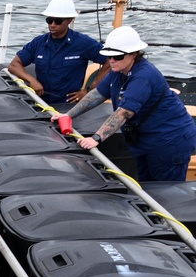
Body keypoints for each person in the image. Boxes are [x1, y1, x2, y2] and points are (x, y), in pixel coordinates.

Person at [53, 26, 196, 182]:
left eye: (117, 56)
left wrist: (96, 138)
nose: (112, 61)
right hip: (143, 139)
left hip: (169, 140)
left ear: (133, 54)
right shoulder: (117, 71)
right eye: (109, 56)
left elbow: (124, 113)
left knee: (164, 188)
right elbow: (97, 94)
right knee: (145, 184)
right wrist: (68, 115)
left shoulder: (143, 77)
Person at [7, 0, 109, 107]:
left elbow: (109, 60)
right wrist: (32, 80)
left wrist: (89, 91)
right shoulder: (39, 42)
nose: (52, 25)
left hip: (68, 105)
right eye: (49, 20)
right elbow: (14, 64)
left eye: (58, 21)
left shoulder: (83, 43)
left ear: (70, 20)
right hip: (41, 102)